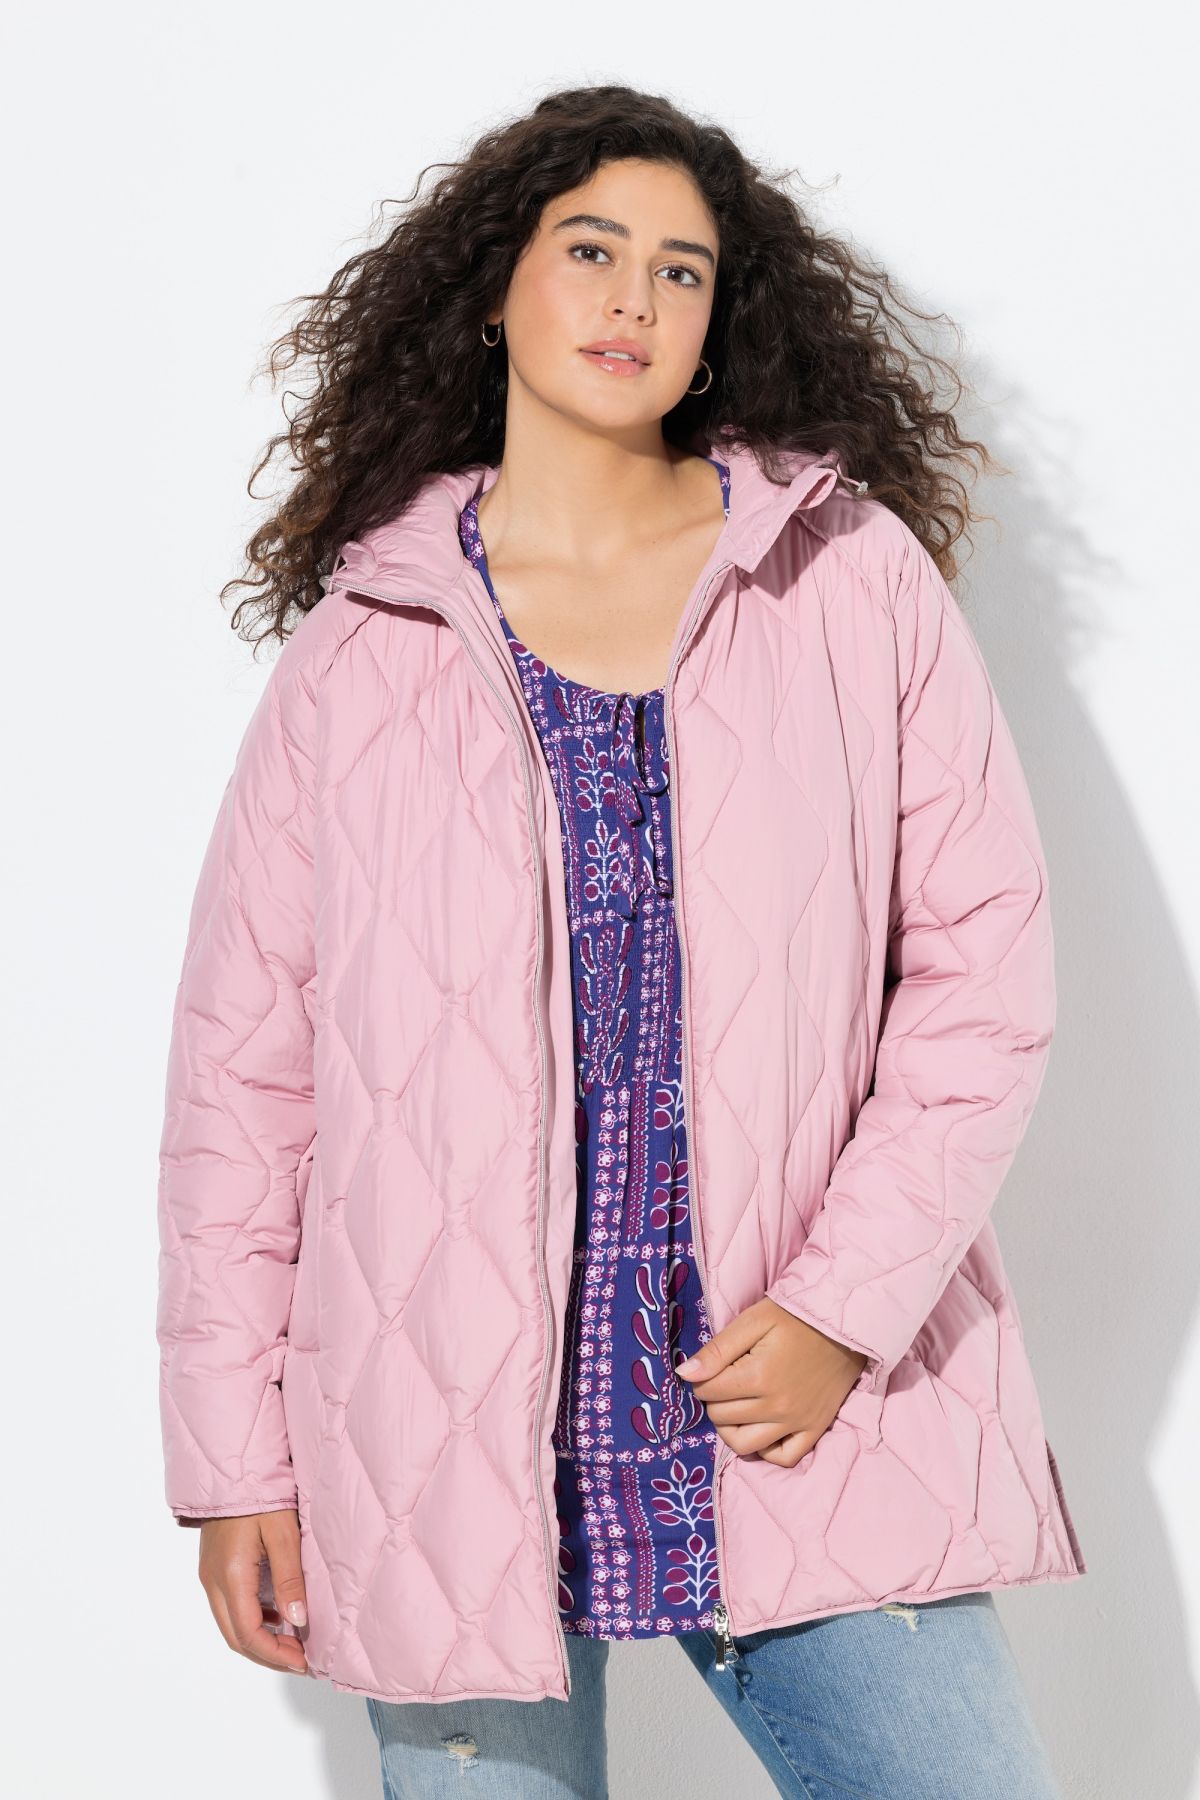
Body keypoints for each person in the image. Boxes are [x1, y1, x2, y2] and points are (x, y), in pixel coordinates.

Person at [155, 83, 1087, 1799]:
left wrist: (845, 1307)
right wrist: (235, 1465)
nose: (634, 299)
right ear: (493, 290)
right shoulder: (367, 646)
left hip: (799, 1403)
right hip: (440, 1435)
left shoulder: (842, 577)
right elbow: (245, 1083)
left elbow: (986, 976)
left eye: (681, 270)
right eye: (590, 251)